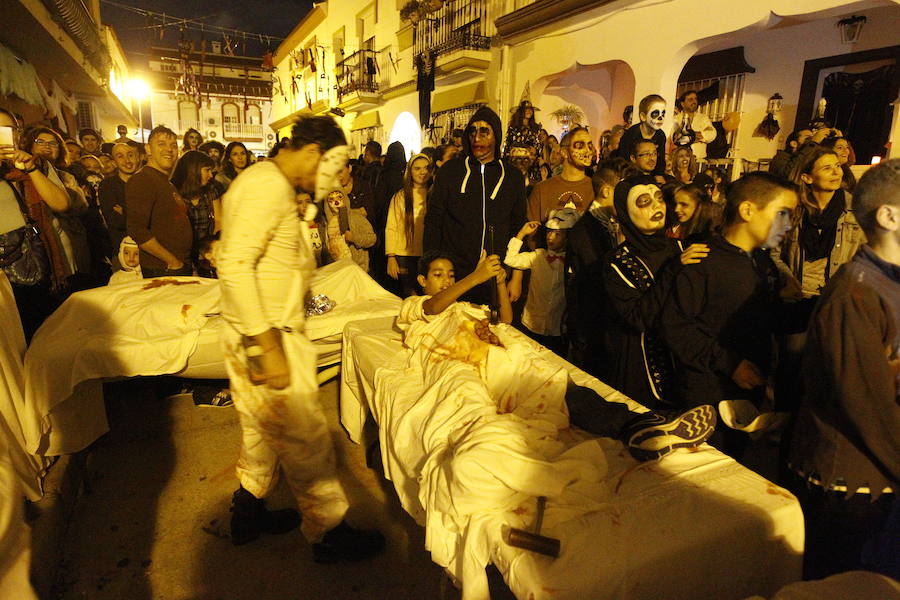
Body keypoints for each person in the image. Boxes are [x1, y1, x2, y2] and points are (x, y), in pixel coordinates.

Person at [216, 115, 384, 560]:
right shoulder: (266, 187)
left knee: (260, 431)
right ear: (312, 153)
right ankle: (328, 533)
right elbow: (233, 265)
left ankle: (248, 508)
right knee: (306, 441)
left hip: (261, 332)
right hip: (266, 335)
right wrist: (267, 346)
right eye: (331, 168)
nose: (332, 181)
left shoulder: (273, 187)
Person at [407, 250, 716, 461]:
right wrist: (473, 278)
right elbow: (433, 308)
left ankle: (642, 426)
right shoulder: (414, 306)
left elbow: (505, 319)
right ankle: (638, 427)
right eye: (438, 275)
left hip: (498, 358)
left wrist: (500, 282)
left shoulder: (465, 306)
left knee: (562, 387)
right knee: (556, 389)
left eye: (450, 275)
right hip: (470, 365)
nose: (446, 281)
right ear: (422, 281)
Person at [787, 158, 900, 581]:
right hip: (854, 483)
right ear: (888, 216)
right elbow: (867, 406)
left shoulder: (889, 283)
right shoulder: (855, 294)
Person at [662, 173, 799, 457]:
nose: (787, 225)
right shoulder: (703, 260)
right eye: (781, 213)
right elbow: (676, 328)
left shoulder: (762, 263)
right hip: (707, 397)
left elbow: (770, 317)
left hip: (747, 394)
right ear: (747, 210)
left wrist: (824, 307)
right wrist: (730, 363)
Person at [597, 176, 708, 409]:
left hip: (685, 369)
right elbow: (638, 317)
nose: (657, 206)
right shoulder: (618, 262)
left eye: (659, 198)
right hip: (641, 370)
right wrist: (674, 270)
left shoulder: (682, 247)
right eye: (644, 202)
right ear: (626, 213)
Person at [424, 105, 527, 305]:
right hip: (454, 276)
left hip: (496, 275)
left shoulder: (512, 177)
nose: (477, 137)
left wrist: (517, 276)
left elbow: (518, 227)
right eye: (472, 131)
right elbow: (434, 222)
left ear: (496, 135)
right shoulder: (450, 172)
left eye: (484, 131)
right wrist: (431, 270)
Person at [0, 110, 71, 339]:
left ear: (17, 134)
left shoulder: (35, 164)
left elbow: (60, 203)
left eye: (7, 130)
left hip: (26, 260)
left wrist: (30, 169)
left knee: (38, 332)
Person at [565, 159, 632, 371]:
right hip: (592, 329)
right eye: (622, 191)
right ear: (606, 191)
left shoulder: (612, 224)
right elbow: (595, 281)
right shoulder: (585, 231)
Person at [504, 208, 578, 356]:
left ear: (568, 238)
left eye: (557, 234)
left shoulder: (573, 262)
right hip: (532, 325)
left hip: (557, 330)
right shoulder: (538, 256)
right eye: (549, 232)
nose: (550, 237)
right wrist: (521, 234)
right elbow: (510, 259)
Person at [126, 126, 192, 278]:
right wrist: (172, 262)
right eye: (161, 144)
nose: (169, 150)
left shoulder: (166, 182)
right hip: (163, 269)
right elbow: (137, 230)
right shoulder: (143, 180)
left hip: (178, 265)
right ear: (148, 149)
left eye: (173, 145)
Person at [386, 152, 433, 297]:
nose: (422, 172)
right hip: (405, 255)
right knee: (409, 294)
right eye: (417, 168)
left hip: (427, 253)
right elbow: (391, 226)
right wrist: (391, 257)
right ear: (410, 171)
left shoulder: (436, 194)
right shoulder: (400, 196)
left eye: (426, 168)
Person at [526, 126, 594, 222]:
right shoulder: (542, 190)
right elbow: (531, 231)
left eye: (590, 145)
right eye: (580, 145)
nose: (588, 150)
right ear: (565, 153)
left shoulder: (597, 189)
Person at [170, 150, 218, 273]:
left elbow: (219, 222)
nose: (210, 175)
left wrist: (210, 250)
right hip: (182, 257)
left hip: (206, 255)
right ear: (193, 170)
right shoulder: (174, 194)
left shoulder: (210, 192)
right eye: (207, 170)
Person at [99, 142, 140, 256]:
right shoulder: (107, 186)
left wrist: (125, 213)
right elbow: (116, 222)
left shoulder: (146, 184)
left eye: (130, 155)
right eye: (120, 156)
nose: (127, 160)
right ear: (114, 163)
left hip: (149, 251)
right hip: (123, 251)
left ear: (137, 158)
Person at [615, 94, 667, 182]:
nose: (660, 117)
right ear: (643, 116)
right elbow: (622, 159)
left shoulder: (660, 136)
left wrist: (659, 174)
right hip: (630, 174)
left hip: (650, 174)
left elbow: (660, 159)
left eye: (663, 113)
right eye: (655, 113)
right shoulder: (630, 134)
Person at [322, 189, 376, 272]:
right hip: (338, 270)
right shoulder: (327, 224)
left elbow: (372, 238)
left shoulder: (356, 217)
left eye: (339, 197)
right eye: (331, 200)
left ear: (345, 199)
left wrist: (354, 237)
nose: (336, 202)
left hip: (358, 269)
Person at [670, 90, 716, 160]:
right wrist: (694, 137)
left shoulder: (703, 118)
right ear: (682, 104)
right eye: (690, 99)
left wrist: (692, 136)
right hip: (679, 159)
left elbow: (712, 133)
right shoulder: (675, 119)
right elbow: (673, 137)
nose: (694, 102)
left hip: (699, 159)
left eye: (695, 99)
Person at [503, 100, 542, 182]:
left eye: (530, 109)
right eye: (526, 109)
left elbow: (538, 147)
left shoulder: (535, 129)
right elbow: (507, 146)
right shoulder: (513, 128)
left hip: (530, 164)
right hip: (515, 163)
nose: (529, 111)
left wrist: (535, 150)